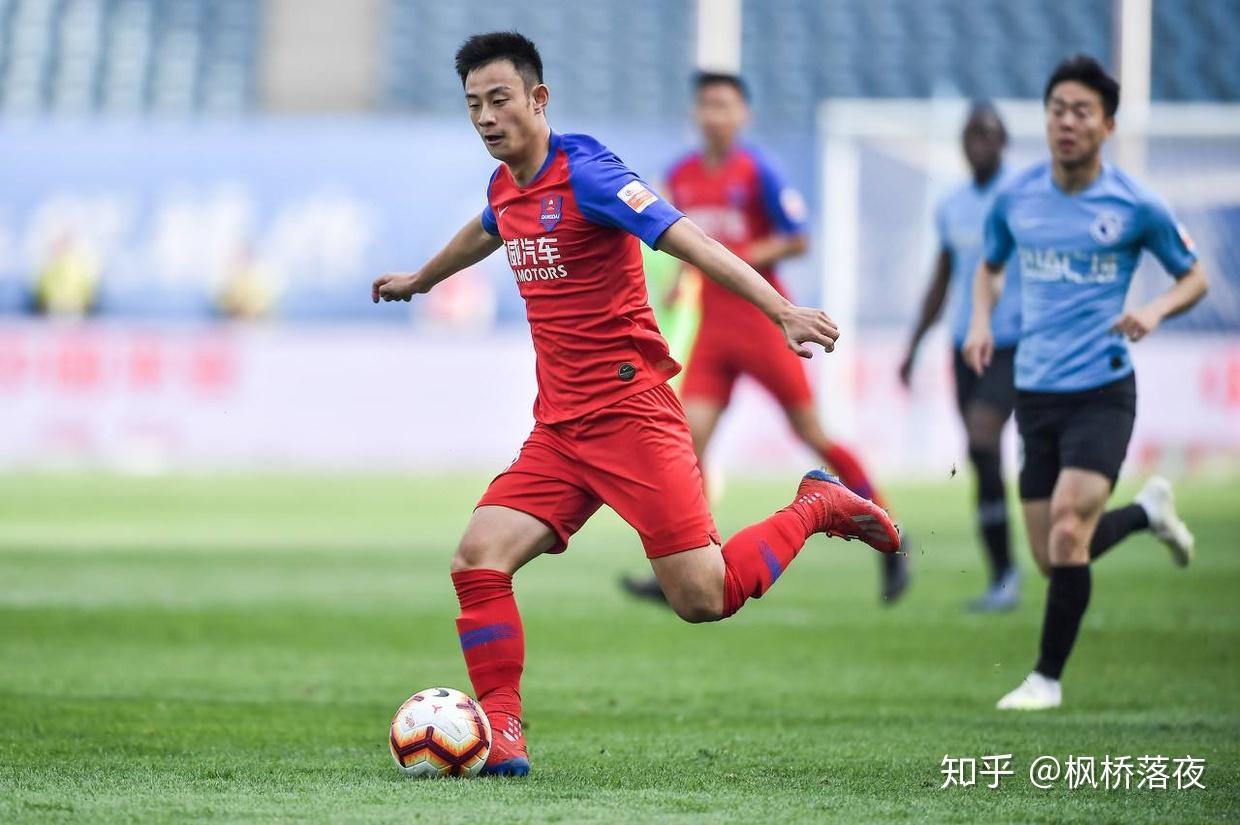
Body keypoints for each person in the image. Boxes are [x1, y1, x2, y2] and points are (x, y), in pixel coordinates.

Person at [372, 32, 900, 776]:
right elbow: (484, 230)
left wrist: (781, 308)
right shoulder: (504, 187)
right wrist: (421, 280)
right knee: (477, 559)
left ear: (538, 99)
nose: (486, 118)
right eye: (473, 106)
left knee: (703, 597)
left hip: (632, 417)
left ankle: (816, 505)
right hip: (559, 431)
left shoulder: (589, 173)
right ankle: (503, 730)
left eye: (499, 100)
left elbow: (690, 241)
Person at [963, 55, 1208, 711]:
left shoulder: (1136, 204)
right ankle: (1148, 514)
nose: (1067, 122)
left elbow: (1195, 276)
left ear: (1107, 126)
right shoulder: (1016, 198)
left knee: (1070, 528)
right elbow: (989, 266)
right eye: (1057, 110)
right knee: (1053, 554)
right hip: (1035, 392)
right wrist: (981, 320)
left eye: (1081, 111)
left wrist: (1155, 310)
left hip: (1103, 391)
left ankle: (1045, 678)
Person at [623, 72, 909, 607]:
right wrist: (686, 276)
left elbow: (798, 238)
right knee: (689, 442)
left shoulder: (757, 171)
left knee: (812, 432)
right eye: (706, 105)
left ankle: (890, 527)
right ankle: (693, 564)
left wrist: (738, 258)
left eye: (724, 105)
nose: (714, 115)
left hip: (761, 322)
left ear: (743, 114)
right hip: (713, 328)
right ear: (695, 113)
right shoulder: (681, 176)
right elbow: (679, 242)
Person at [900, 102, 1022, 612]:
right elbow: (943, 278)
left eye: (987, 134)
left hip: (1015, 340)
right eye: (971, 135)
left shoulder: (1022, 196)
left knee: (982, 436)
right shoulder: (951, 205)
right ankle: (1003, 575)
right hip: (963, 344)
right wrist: (913, 345)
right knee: (980, 454)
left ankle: (1011, 571)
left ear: (1003, 142)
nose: (979, 143)